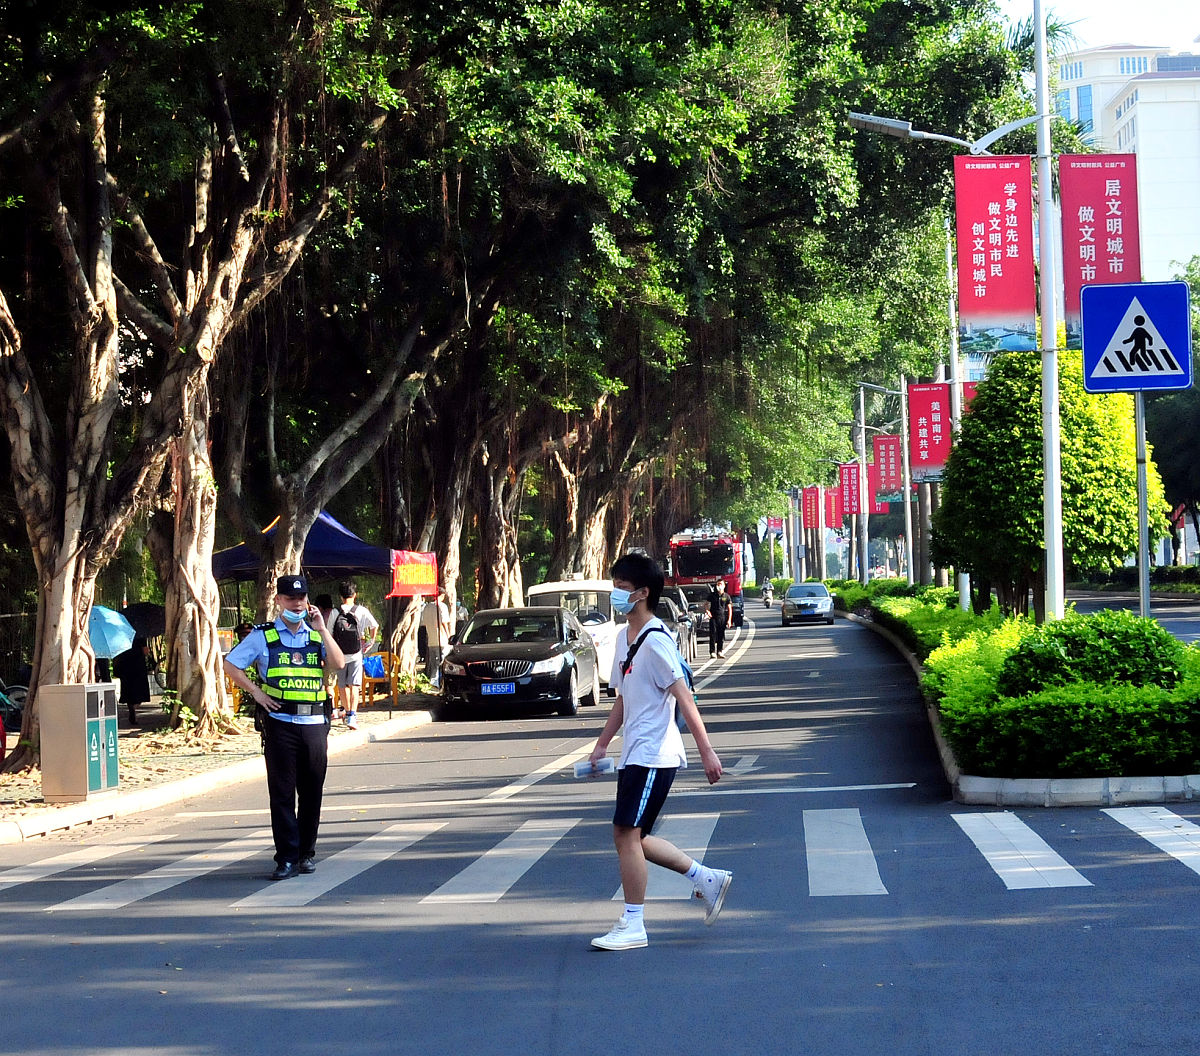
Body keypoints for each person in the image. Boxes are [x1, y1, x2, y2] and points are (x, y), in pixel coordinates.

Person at [586, 552, 731, 951]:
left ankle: (633, 923)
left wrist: (707, 752)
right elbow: (622, 700)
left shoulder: (656, 641)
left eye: (622, 588)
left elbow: (684, 698)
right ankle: (706, 878)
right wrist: (601, 744)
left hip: (654, 755)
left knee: (626, 834)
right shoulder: (624, 639)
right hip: (636, 752)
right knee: (633, 836)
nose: (615, 594)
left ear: (643, 593)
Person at [223, 575, 345, 881]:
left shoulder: (316, 635)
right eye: (291, 599)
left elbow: (339, 663)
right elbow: (231, 664)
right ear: (278, 601)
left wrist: (322, 630)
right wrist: (256, 692)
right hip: (281, 724)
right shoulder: (262, 636)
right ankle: (287, 857)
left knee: (312, 791)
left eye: (302, 598)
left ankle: (306, 853)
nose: (297, 604)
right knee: (281, 794)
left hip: (315, 724)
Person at [328, 580, 379, 730]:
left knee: (342, 685)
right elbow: (374, 625)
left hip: (340, 655)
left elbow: (329, 633)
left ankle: (347, 711)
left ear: (340, 596)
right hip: (356, 653)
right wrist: (370, 640)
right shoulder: (361, 610)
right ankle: (352, 716)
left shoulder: (335, 612)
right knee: (355, 685)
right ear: (354, 595)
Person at [112, 635, 151, 727]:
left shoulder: (119, 633)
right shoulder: (139, 634)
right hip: (138, 665)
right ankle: (134, 706)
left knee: (127, 688)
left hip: (124, 664)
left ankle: (131, 707)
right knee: (139, 689)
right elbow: (145, 651)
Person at [420, 589, 452, 683]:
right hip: (442, 640)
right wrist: (449, 636)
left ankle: (433, 682)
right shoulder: (442, 607)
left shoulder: (427, 607)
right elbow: (444, 623)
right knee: (443, 663)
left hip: (431, 640)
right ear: (441, 595)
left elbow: (424, 623)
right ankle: (441, 682)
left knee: (434, 664)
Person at [706, 579, 732, 658]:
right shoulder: (712, 595)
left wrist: (729, 620)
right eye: (717, 584)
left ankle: (720, 651)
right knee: (713, 634)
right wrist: (708, 611)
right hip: (713, 617)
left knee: (721, 635)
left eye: (720, 584)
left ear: (724, 585)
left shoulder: (726, 596)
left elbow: (730, 608)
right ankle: (712, 652)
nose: (719, 586)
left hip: (722, 617)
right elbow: (706, 604)